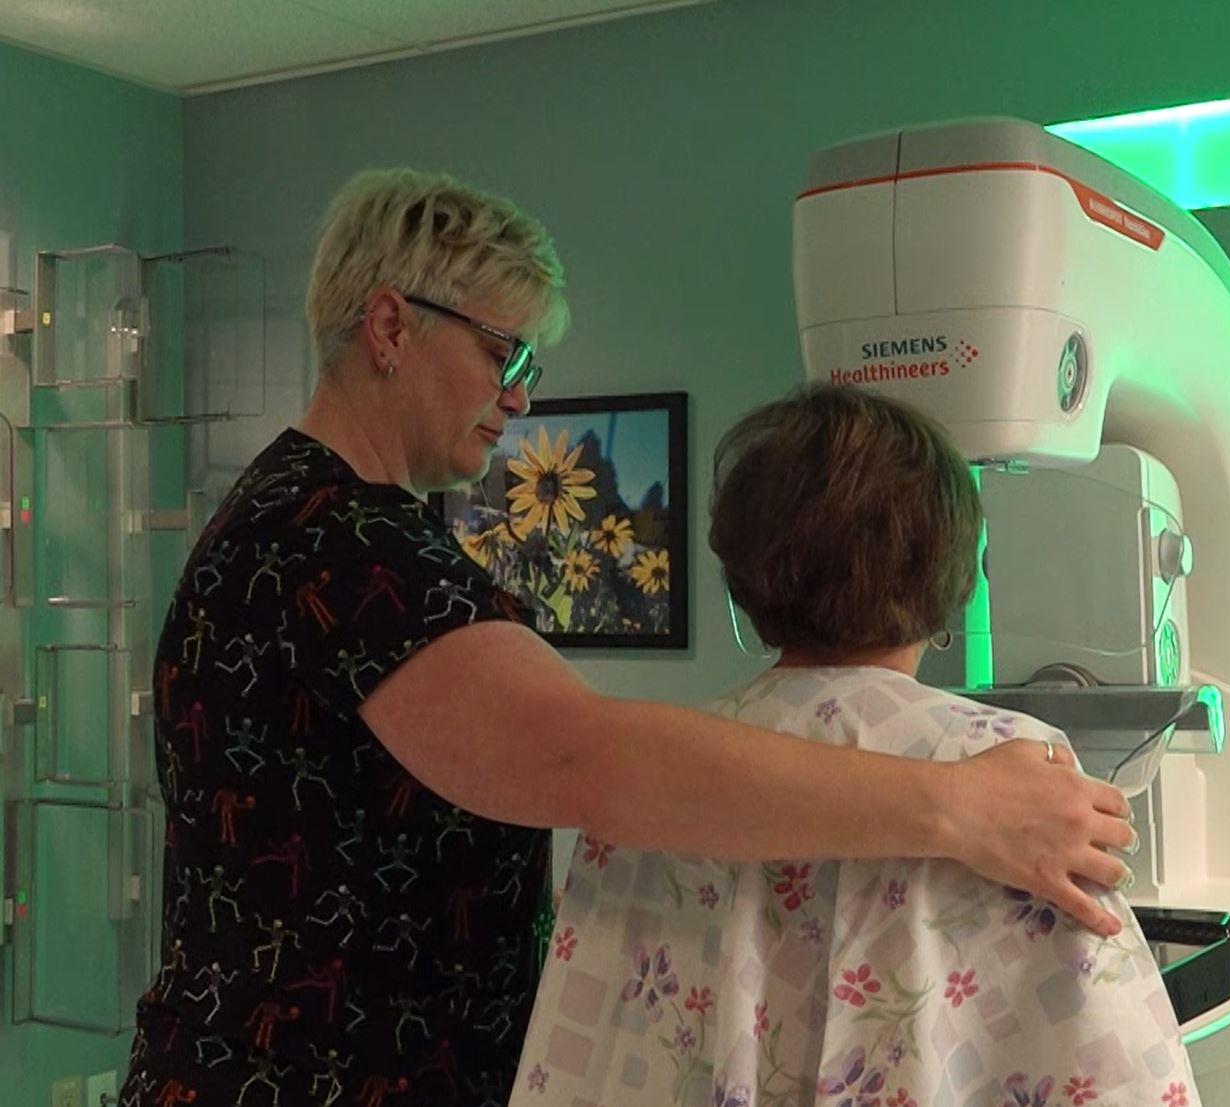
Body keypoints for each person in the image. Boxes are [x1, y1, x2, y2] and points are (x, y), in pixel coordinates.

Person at [119, 169, 1135, 1107]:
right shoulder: (339, 547)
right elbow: (583, 760)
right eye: (501, 352)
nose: (520, 395)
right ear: (389, 325)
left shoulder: (296, 520)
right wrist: (962, 808)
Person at [510, 386, 1197, 1107]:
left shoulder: (660, 773)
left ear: (742, 570)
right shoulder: (1014, 767)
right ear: (959, 575)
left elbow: (583, 1054)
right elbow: (1120, 1072)